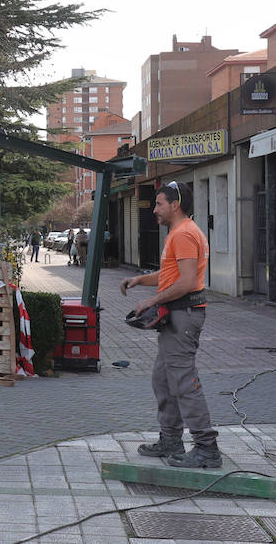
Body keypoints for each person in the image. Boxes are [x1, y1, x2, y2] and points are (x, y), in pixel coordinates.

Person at [121, 181, 219, 468]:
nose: (155, 209)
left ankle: (206, 448)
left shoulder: (185, 234)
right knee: (163, 379)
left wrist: (150, 302)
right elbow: (172, 275)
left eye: (159, 203)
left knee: (184, 382)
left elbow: (187, 282)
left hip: (183, 316)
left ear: (175, 205)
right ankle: (171, 440)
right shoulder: (180, 233)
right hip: (178, 316)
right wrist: (141, 279)